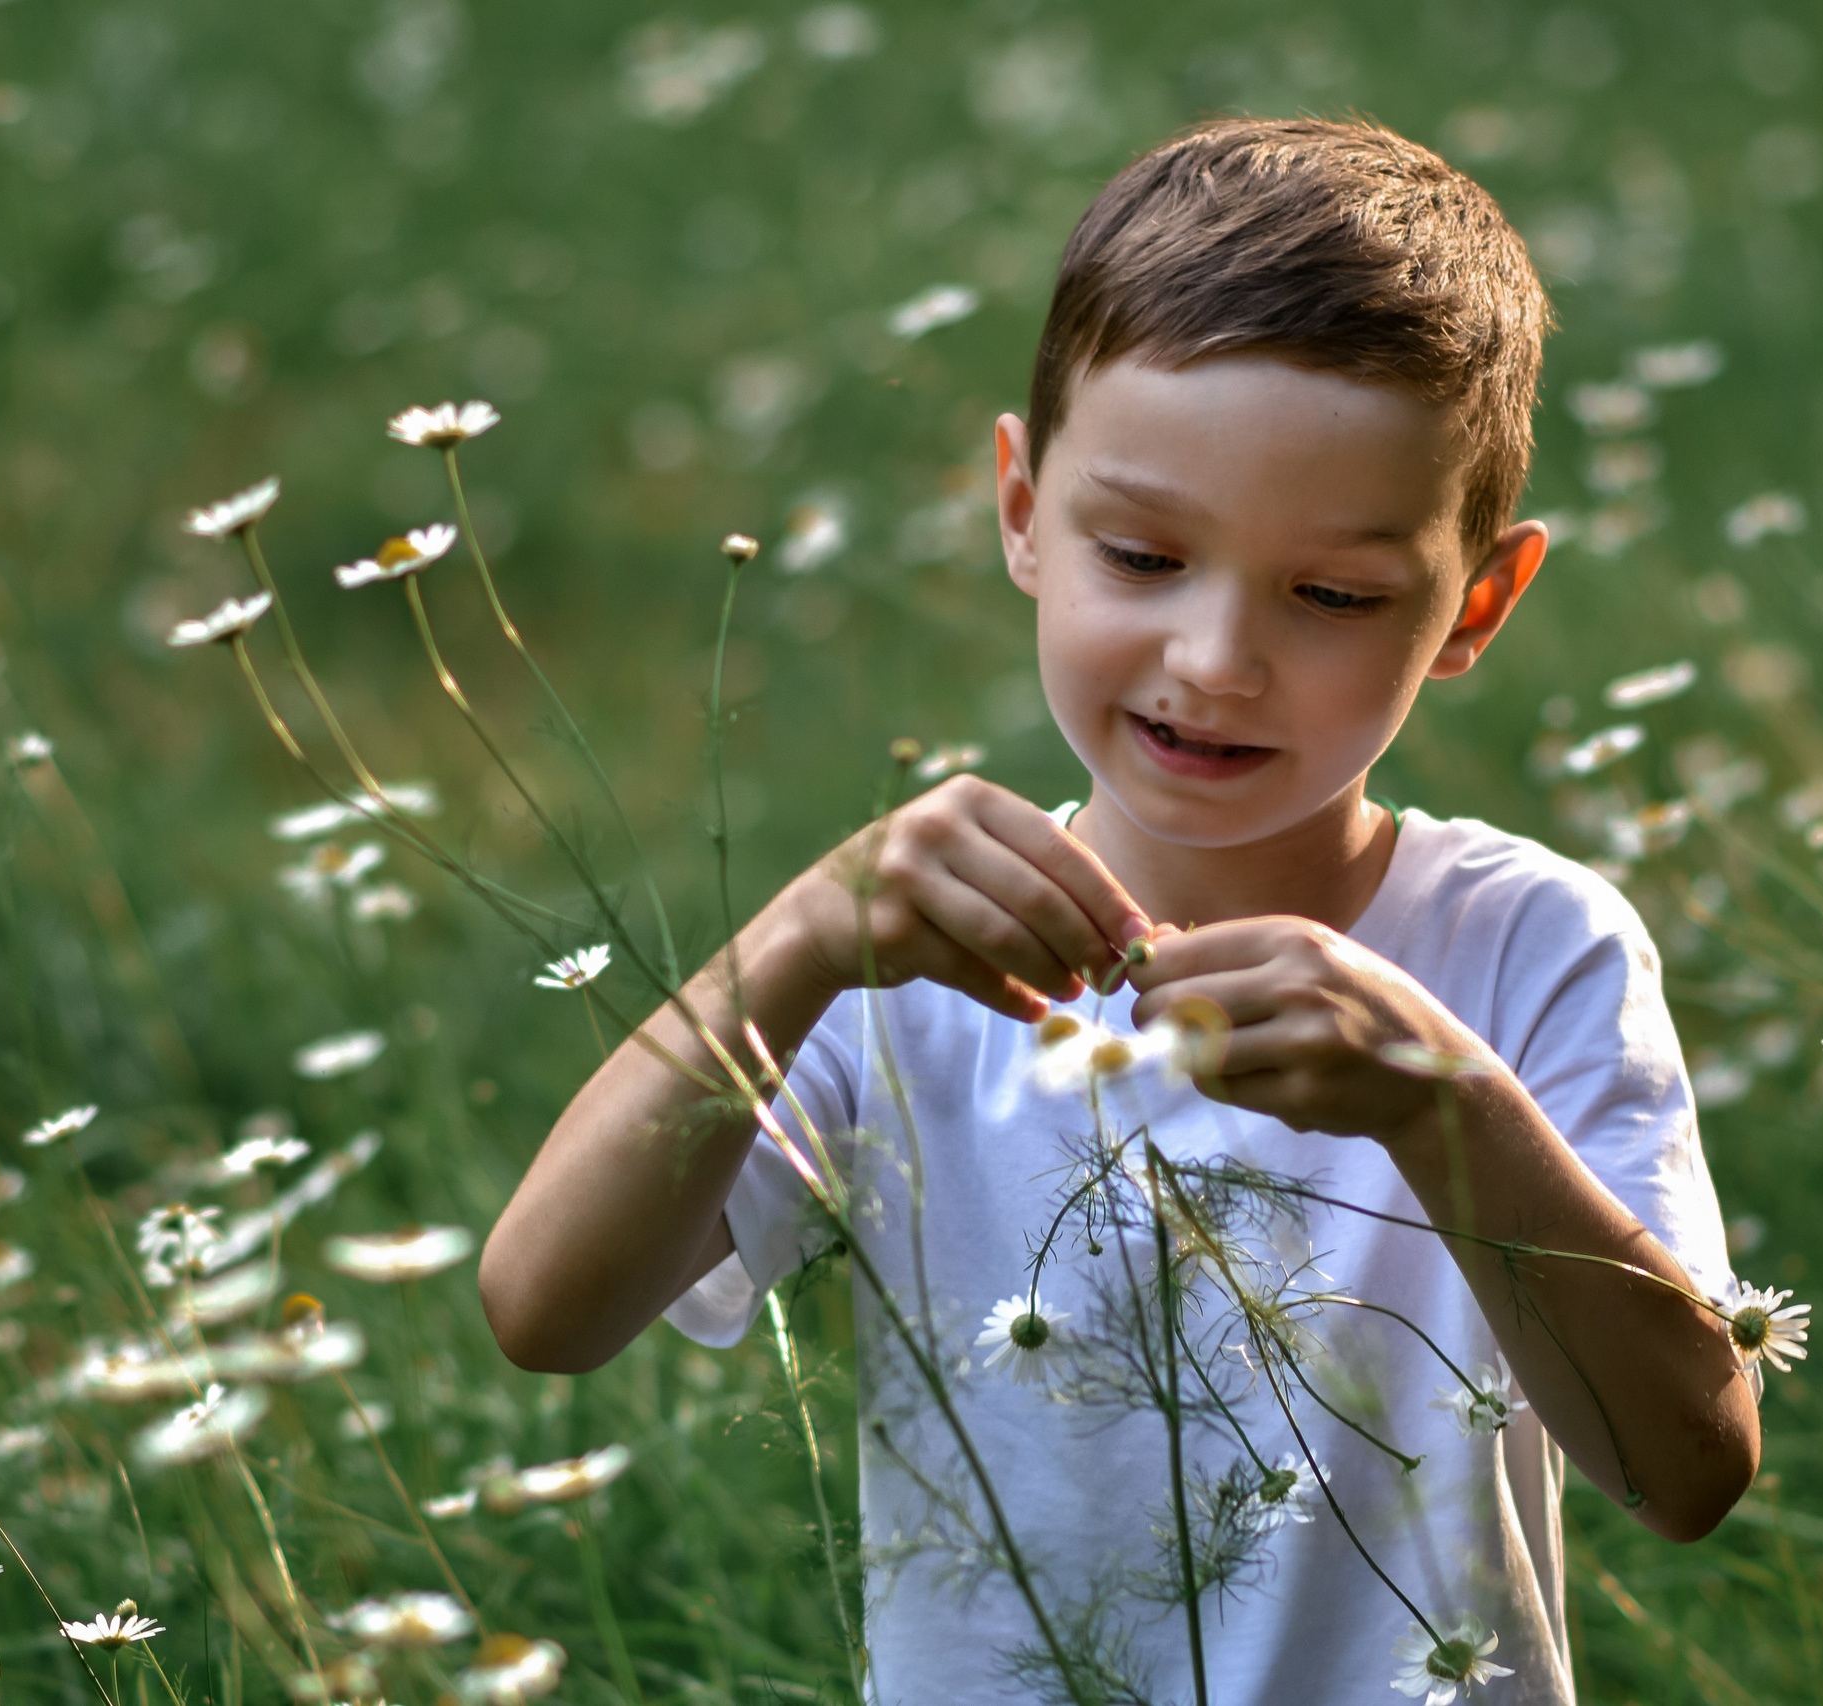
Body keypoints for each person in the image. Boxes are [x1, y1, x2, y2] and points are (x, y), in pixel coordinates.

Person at [480, 117, 1758, 1704]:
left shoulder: (1524, 947)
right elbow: (543, 1308)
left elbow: (1687, 1469)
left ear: (1474, 603)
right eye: (1144, 554)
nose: (1217, 656)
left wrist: (1454, 1114)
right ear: (1022, 507)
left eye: (1335, 594)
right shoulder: (909, 953)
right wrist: (794, 943)